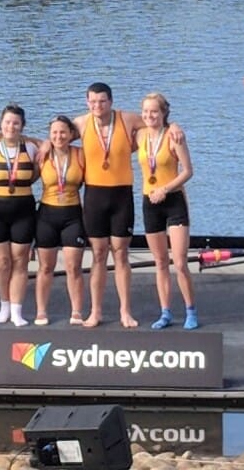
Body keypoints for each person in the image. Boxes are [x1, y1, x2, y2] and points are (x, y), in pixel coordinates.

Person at [70, 82, 180, 328]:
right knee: (98, 255)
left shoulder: (127, 119)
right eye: (93, 101)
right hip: (94, 196)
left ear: (111, 101)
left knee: (121, 254)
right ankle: (95, 312)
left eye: (102, 101)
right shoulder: (80, 123)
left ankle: (125, 311)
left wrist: (175, 127)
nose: (98, 106)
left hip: (121, 196)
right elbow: (57, 135)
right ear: (87, 103)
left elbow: (157, 124)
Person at [138, 93, 197, 330]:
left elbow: (188, 171)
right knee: (160, 261)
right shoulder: (141, 135)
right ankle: (165, 313)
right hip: (149, 202)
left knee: (180, 262)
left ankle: (191, 310)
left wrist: (165, 189)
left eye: (154, 111)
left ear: (164, 114)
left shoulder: (174, 137)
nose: (149, 115)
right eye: (146, 111)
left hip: (173, 201)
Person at [0, 104, 40, 327]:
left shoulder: (32, 149)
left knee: (20, 261)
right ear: (1, 124)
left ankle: (17, 310)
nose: (11, 126)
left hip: (23, 209)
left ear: (22, 126)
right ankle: (4, 307)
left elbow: (36, 174)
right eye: (7, 122)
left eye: (16, 123)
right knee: (3, 261)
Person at [34, 116, 87, 326]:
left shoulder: (80, 154)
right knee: (46, 267)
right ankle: (41, 311)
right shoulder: (42, 155)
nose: (59, 136)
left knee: (74, 267)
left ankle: (76, 311)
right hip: (47, 214)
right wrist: (44, 143)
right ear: (49, 135)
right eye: (54, 133)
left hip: (72, 215)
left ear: (71, 134)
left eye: (63, 132)